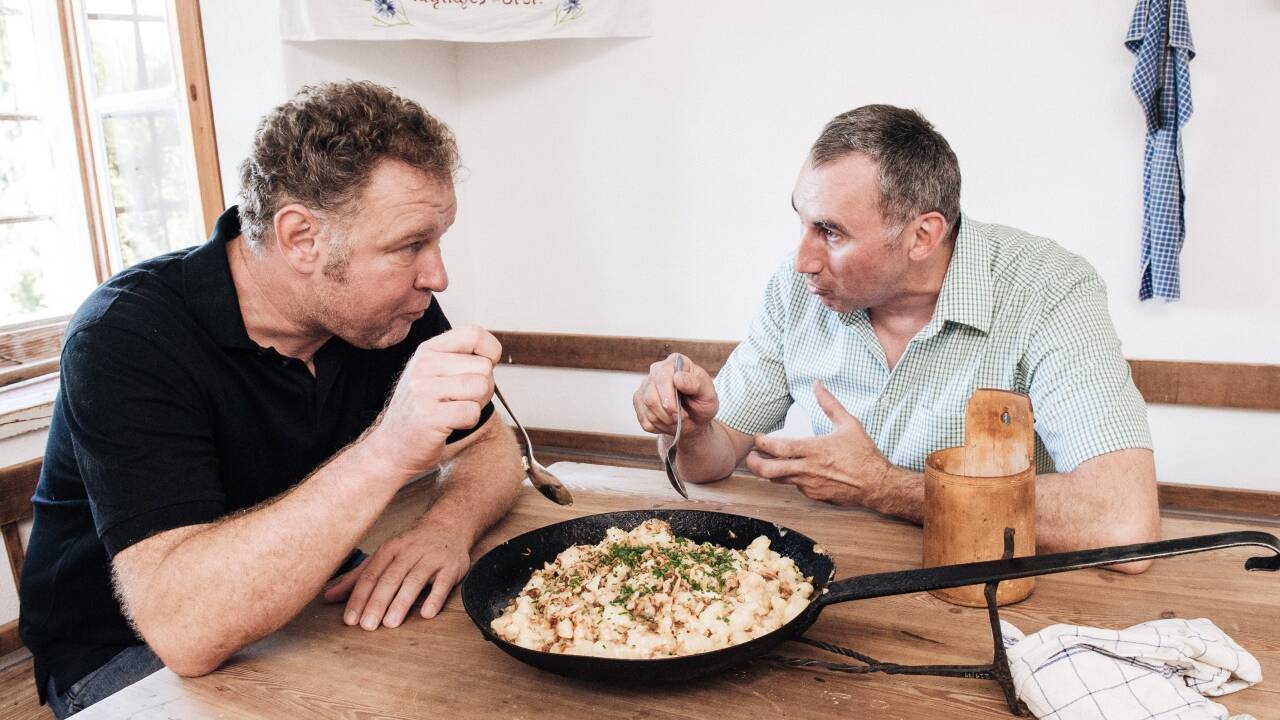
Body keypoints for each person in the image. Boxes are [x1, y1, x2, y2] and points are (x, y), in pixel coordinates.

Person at [19, 81, 524, 717]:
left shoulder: (389, 307)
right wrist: (387, 451)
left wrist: (445, 528)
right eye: (409, 245)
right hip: (125, 654)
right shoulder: (125, 336)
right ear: (301, 238)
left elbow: (488, 444)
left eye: (437, 240)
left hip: (305, 595)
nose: (437, 276)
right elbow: (184, 630)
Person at [633, 104, 1159, 571]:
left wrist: (884, 486)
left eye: (831, 232)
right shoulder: (796, 290)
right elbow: (712, 459)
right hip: (836, 568)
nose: (803, 260)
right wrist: (690, 427)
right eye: (803, 224)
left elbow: (1122, 522)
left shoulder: (1050, 289)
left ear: (922, 236)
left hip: (991, 585)